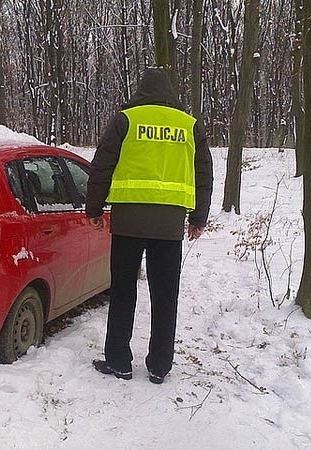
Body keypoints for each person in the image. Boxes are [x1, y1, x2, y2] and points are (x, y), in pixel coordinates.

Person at [87, 68, 213, 384]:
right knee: (165, 294)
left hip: (128, 221)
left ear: (141, 90)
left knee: (123, 292)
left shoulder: (125, 119)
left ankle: (118, 361)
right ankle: (159, 366)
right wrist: (198, 218)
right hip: (169, 226)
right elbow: (203, 175)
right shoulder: (189, 125)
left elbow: (102, 165)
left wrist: (94, 207)